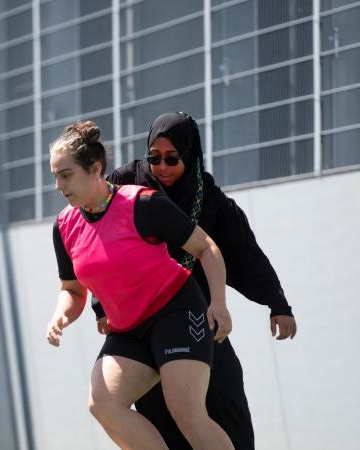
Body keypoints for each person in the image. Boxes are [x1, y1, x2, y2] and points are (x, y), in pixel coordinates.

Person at [93, 111, 297, 449]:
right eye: (154, 157)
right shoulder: (127, 184)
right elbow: (97, 240)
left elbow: (245, 255)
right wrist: (101, 306)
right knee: (153, 410)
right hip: (143, 321)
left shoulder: (210, 201)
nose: (162, 167)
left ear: (190, 154)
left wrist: (278, 305)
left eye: (172, 158)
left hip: (197, 315)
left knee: (223, 398)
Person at [47, 120, 235, 450]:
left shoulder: (142, 205)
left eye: (66, 175)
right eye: (55, 177)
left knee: (186, 412)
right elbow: (73, 290)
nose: (59, 186)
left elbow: (207, 248)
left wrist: (217, 302)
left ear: (95, 169)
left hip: (175, 311)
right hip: (128, 329)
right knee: (103, 402)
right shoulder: (64, 226)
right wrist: (60, 314)